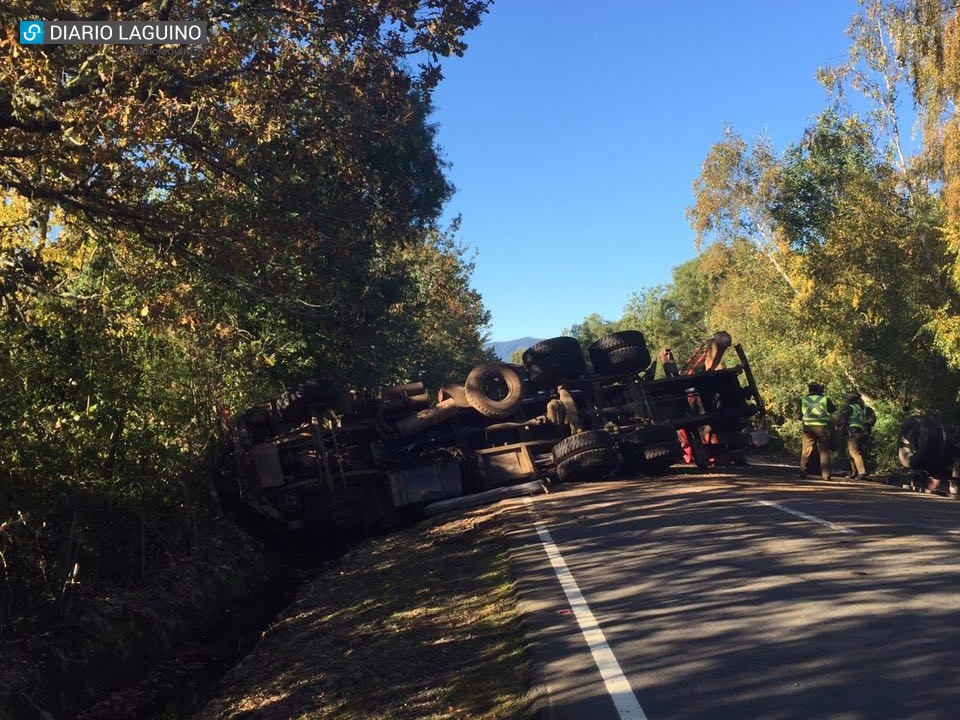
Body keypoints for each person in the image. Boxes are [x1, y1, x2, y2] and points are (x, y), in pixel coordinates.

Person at [795, 382, 836, 479]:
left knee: (806, 450)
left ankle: (803, 472)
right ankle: (826, 475)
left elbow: (797, 416)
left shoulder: (803, 400)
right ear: (819, 389)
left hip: (808, 428)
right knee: (824, 451)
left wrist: (806, 418)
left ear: (809, 389)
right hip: (822, 427)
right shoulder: (825, 399)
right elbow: (833, 409)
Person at [838, 392, 869, 479]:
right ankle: (854, 472)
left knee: (855, 453)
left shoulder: (849, 408)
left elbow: (842, 420)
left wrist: (838, 427)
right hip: (859, 431)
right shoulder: (860, 408)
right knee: (850, 453)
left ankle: (861, 472)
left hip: (852, 432)